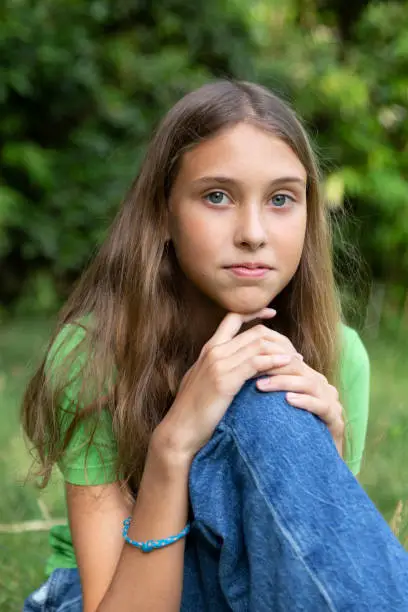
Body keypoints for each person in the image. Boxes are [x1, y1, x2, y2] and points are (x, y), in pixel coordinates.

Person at [21, 80, 377, 611]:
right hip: (117, 589)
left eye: (282, 199)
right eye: (217, 196)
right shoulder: (94, 355)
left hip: (250, 588)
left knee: (275, 392)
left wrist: (325, 455)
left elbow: (309, 579)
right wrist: (173, 444)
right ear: (163, 213)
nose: (253, 232)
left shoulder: (339, 354)